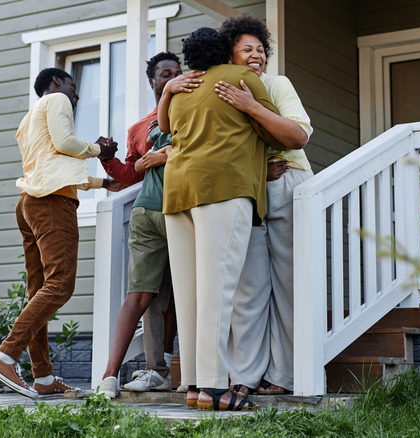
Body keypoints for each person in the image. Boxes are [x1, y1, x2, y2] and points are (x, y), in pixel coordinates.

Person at [157, 27, 286, 411]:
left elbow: (164, 129)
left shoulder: (181, 88)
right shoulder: (240, 78)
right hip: (223, 190)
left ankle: (196, 385)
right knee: (218, 292)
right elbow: (284, 136)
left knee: (190, 295)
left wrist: (166, 91)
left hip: (178, 194)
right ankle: (215, 389)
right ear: (226, 52)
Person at [0, 67, 117, 399]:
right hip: (52, 204)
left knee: (39, 291)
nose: (77, 95)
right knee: (60, 285)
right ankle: (4, 356)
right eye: (74, 86)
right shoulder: (56, 99)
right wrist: (99, 149)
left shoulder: (28, 121)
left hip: (31, 202)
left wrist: (103, 182)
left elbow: (54, 167)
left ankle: (42, 378)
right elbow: (66, 143)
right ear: (56, 82)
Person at [218, 13, 312, 397]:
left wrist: (251, 105)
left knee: (289, 286)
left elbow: (297, 136)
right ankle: (245, 376)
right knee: (249, 288)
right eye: (247, 50)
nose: (256, 56)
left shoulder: (276, 84)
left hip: (288, 185)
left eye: (260, 50)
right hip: (247, 191)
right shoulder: (218, 89)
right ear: (230, 54)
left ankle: (284, 376)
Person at [94, 52, 183, 398]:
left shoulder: (195, 111)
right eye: (164, 74)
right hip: (152, 209)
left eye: (177, 73)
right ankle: (129, 372)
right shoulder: (139, 128)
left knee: (178, 294)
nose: (172, 78)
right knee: (149, 294)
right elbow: (132, 177)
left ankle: (173, 365)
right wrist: (108, 159)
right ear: (153, 82)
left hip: (183, 208)